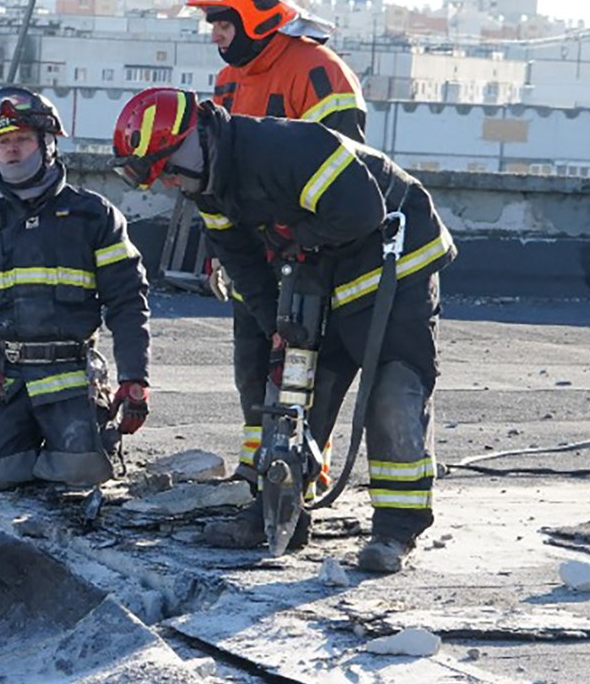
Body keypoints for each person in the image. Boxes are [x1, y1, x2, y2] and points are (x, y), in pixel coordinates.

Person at [110, 87, 453, 572]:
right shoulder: (210, 188)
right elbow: (245, 267)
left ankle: (396, 530)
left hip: (393, 264)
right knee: (293, 391)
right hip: (319, 268)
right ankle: (279, 512)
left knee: (393, 391)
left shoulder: (285, 149)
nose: (168, 183)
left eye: (167, 169)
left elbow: (360, 211)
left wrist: (296, 241)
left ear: (193, 140)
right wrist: (277, 326)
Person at [188, 0, 371, 506]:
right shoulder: (226, 83)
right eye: (211, 23)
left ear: (257, 13)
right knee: (252, 359)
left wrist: (308, 246)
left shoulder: (319, 72)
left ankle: (300, 477)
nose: (215, 34)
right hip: (255, 252)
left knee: (305, 366)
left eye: (222, 20)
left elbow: (347, 173)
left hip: (312, 253)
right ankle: (257, 469)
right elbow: (215, 175)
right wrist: (221, 250)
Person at [0, 86, 152, 492]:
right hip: (3, 382)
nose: (12, 151)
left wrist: (134, 377)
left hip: (69, 376)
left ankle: (80, 439)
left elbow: (127, 302)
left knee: (81, 475)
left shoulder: (94, 216)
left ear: (48, 143)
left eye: (22, 139)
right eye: (3, 143)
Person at [188, 0, 366, 143]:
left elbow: (341, 166)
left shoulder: (321, 73)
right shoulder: (228, 78)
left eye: (224, 25)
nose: (215, 37)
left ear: (257, 21)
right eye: (213, 26)